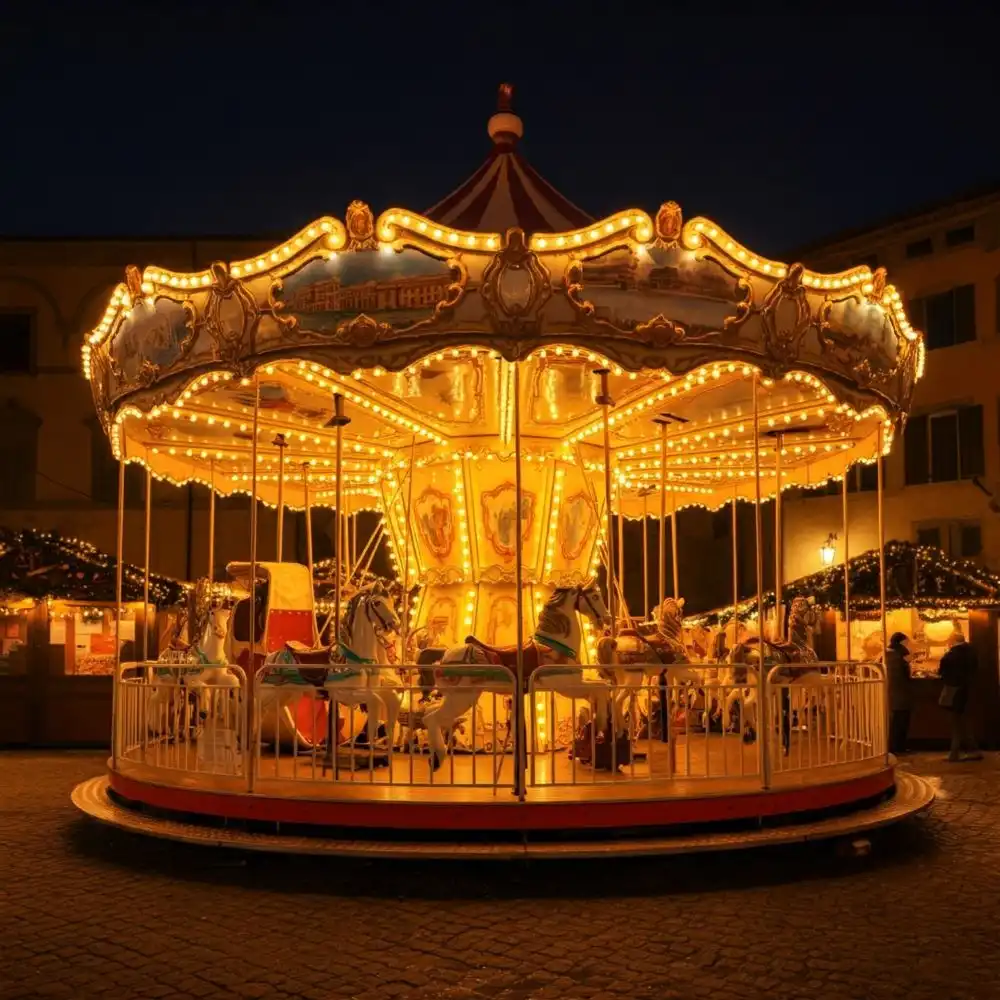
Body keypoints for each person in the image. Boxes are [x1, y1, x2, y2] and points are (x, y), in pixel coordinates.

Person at [938, 629, 983, 762]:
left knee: (956, 723)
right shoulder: (972, 652)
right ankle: (973, 750)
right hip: (968, 691)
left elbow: (942, 672)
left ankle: (954, 753)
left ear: (952, 641)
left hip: (954, 691)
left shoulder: (949, 656)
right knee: (965, 721)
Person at [885, 632, 912, 754]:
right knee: (901, 721)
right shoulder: (901, 653)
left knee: (895, 722)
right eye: (906, 642)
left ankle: (894, 747)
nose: (907, 644)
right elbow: (905, 674)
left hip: (891, 693)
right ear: (901, 642)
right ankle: (898, 747)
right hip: (901, 693)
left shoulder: (886, 653)